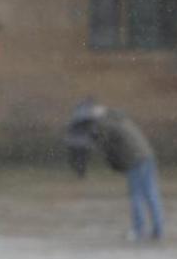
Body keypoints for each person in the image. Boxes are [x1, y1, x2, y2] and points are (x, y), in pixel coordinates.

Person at [66, 100, 165, 241]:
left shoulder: (104, 123)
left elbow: (104, 144)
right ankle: (158, 230)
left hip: (135, 160)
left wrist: (90, 142)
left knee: (136, 196)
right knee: (151, 194)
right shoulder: (116, 116)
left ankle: (138, 231)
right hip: (147, 156)